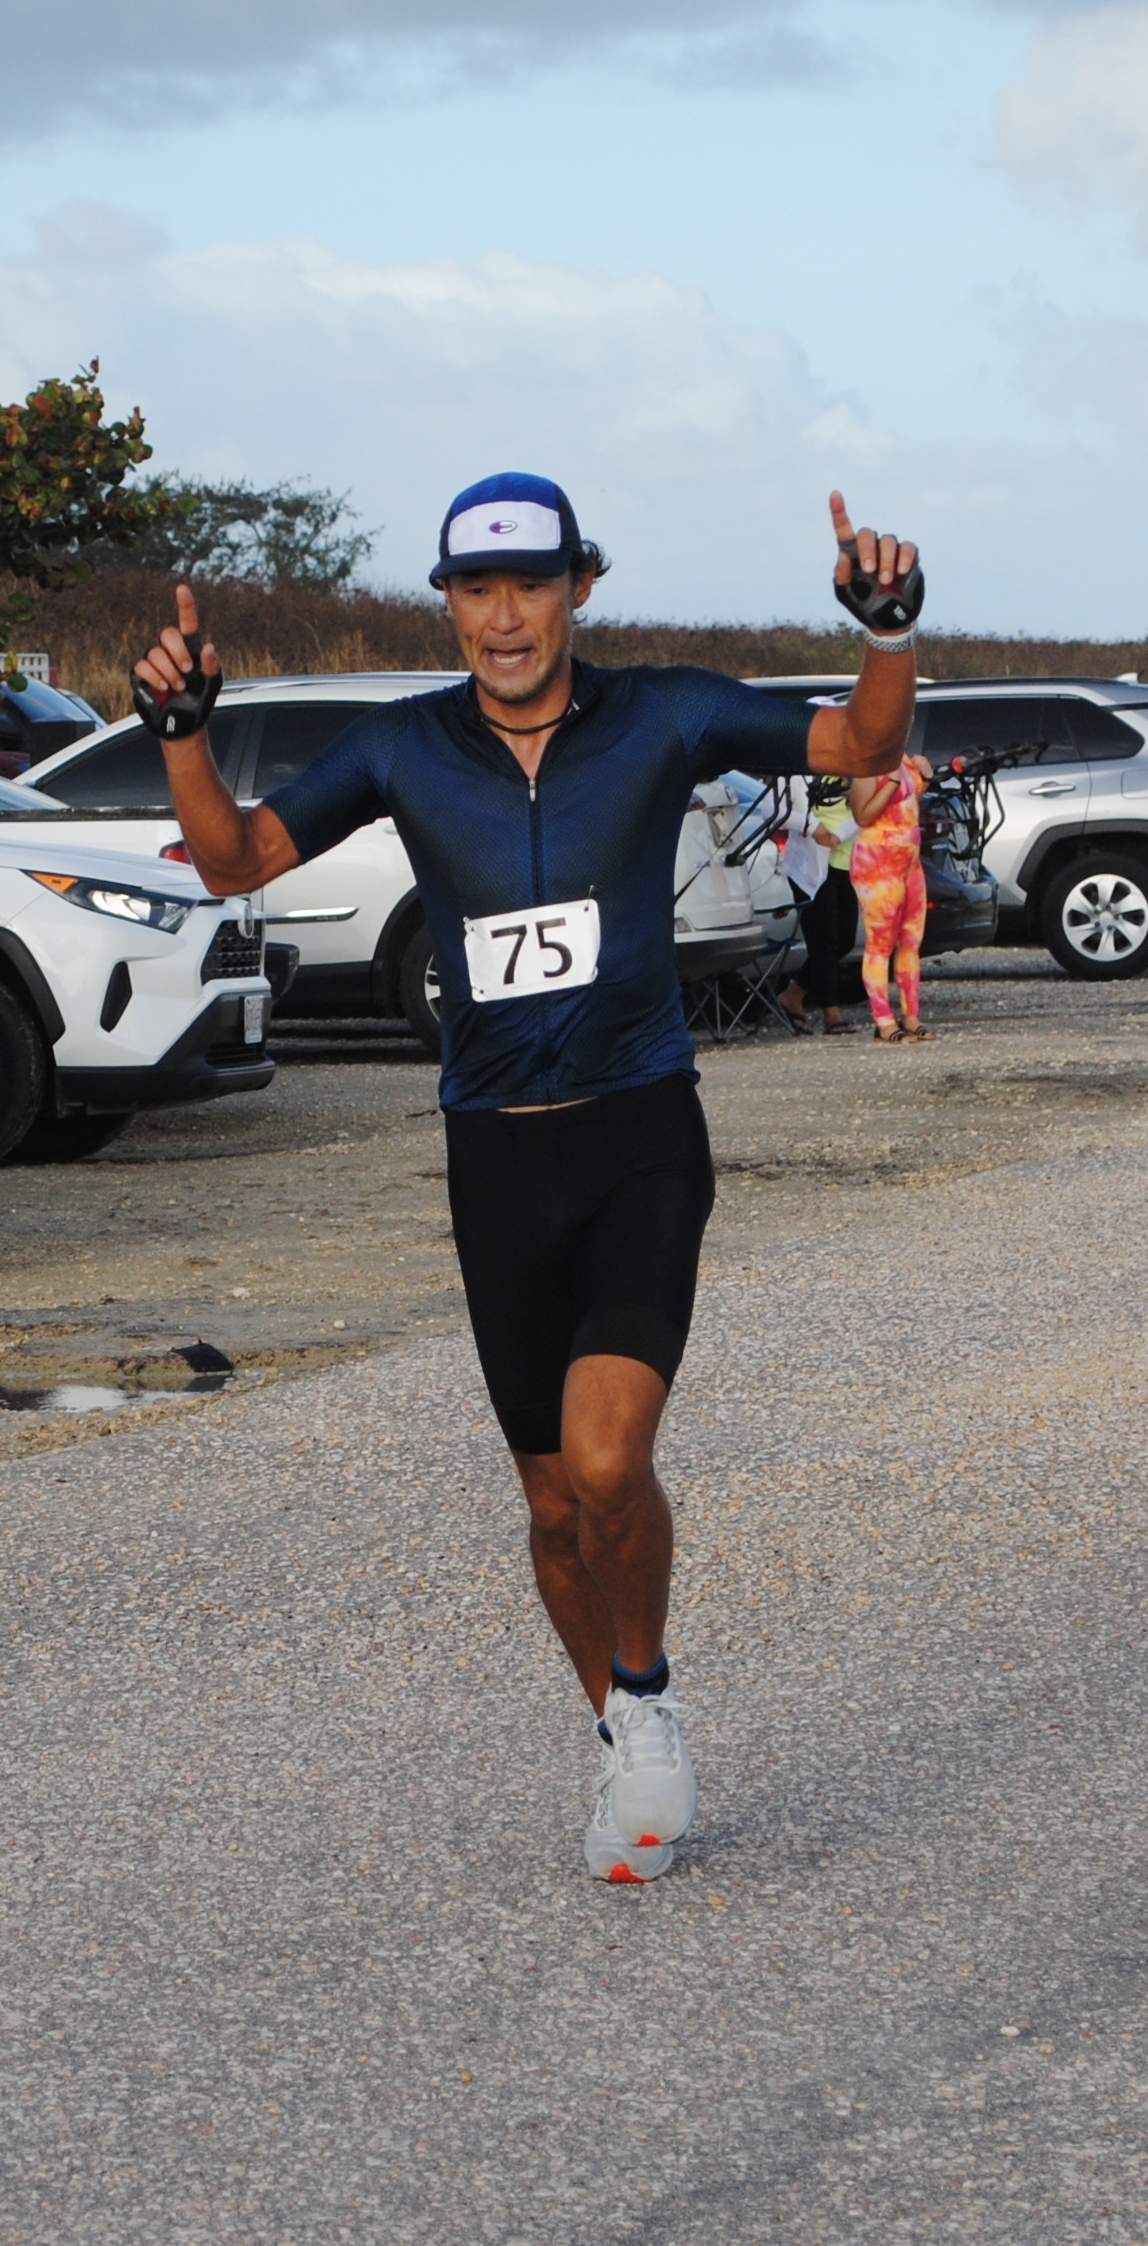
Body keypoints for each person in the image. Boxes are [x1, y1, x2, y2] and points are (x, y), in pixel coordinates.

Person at [133, 474, 920, 1882]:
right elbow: (233, 857)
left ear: (580, 588)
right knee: (553, 1501)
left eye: (533, 585)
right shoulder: (406, 747)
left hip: (636, 1134)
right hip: (494, 1154)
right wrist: (185, 735)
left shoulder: (665, 712)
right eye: (478, 590)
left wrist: (888, 629)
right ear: (450, 601)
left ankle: (654, 1695)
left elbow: (862, 737)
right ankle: (613, 1725)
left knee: (614, 1458)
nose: (507, 618)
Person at [851, 751, 934, 1043]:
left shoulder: (902, 758)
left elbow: (909, 804)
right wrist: (890, 783)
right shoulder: (869, 765)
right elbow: (862, 814)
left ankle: (911, 1015)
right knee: (880, 944)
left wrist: (923, 778)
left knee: (911, 939)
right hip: (878, 860)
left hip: (909, 859)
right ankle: (883, 1020)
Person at [779, 776, 861, 1035]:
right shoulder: (795, 772)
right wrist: (813, 827)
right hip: (811, 868)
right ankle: (831, 1013)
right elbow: (775, 809)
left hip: (845, 862)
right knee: (824, 938)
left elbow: (862, 809)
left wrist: (838, 835)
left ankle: (793, 994)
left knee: (845, 939)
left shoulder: (848, 769)